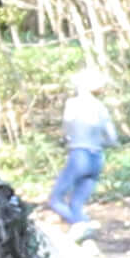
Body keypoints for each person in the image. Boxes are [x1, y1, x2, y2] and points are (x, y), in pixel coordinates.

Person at [47, 80, 110, 227]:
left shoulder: (73, 104)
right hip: (98, 157)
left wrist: (69, 139)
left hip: (80, 154)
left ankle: (81, 224)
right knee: (76, 203)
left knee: (55, 200)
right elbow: (112, 137)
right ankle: (82, 229)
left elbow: (67, 125)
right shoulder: (101, 107)